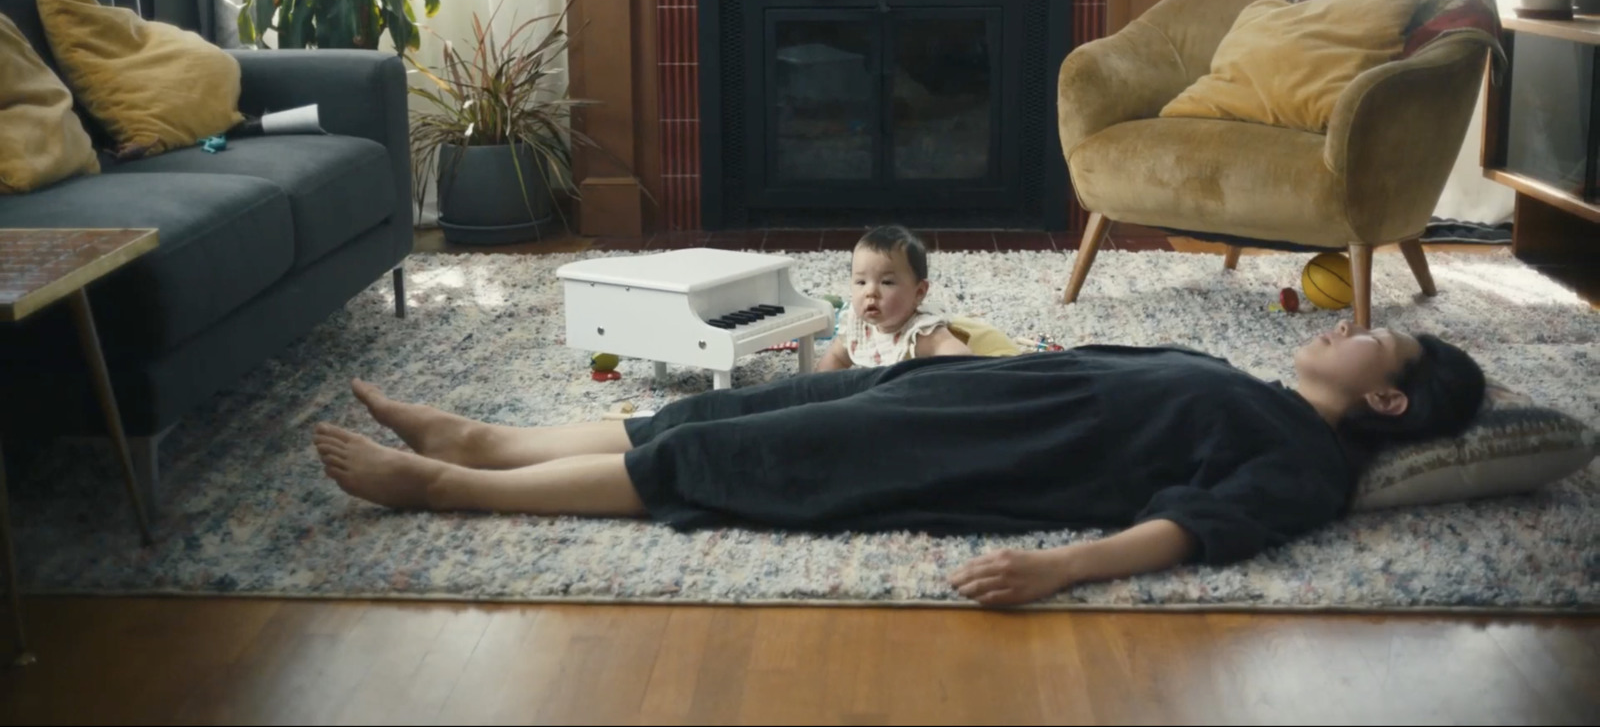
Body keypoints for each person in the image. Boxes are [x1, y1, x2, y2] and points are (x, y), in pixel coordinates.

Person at [313, 321, 1486, 607]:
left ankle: (449, 485)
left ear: (1385, 395)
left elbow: (1199, 524)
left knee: (729, 460)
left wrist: (1064, 567)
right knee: (734, 409)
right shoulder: (1262, 388)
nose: (1348, 318)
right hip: (953, 391)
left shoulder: (1304, 463)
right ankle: (487, 440)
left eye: (1372, 334)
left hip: (968, 449)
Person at [814, 225, 974, 370]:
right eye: (861, 282)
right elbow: (836, 358)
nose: (870, 292)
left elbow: (960, 359)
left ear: (918, 293)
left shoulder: (920, 331)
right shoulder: (858, 327)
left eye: (887, 282)